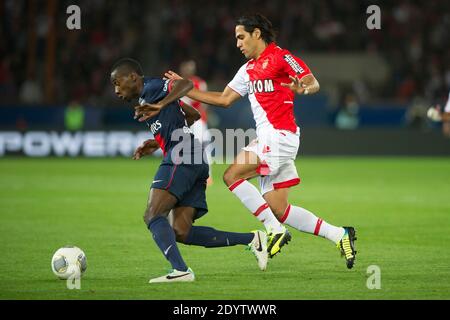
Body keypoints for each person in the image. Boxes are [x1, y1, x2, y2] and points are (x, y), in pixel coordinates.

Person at [136, 14, 357, 268]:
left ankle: (274, 230)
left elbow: (311, 82)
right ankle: (339, 234)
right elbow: (224, 99)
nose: (238, 43)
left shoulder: (281, 57)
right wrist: (184, 88)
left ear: (257, 34)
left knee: (232, 175)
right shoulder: (247, 70)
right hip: (270, 139)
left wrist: (302, 88)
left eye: (241, 37)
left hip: (279, 136)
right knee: (278, 208)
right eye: (236, 39)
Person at [110, 58, 268, 283]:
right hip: (193, 156)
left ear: (133, 77)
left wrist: (161, 105)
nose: (116, 90)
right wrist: (155, 143)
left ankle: (181, 270)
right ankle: (254, 239)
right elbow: (192, 116)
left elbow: (184, 85)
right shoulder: (147, 98)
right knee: (181, 232)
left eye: (117, 83)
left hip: (182, 154)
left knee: (153, 214)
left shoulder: (153, 87)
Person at [179, 60, 214, 185]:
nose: (188, 70)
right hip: (191, 120)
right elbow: (204, 104)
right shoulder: (195, 83)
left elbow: (202, 105)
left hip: (196, 120)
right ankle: (201, 175)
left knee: (201, 147)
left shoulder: (183, 84)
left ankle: (205, 175)